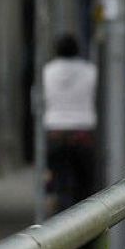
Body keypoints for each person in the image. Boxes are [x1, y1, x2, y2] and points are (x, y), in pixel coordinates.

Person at [44, 33, 100, 211]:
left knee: (60, 182)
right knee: (84, 186)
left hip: (56, 130)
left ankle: (62, 220)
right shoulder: (90, 70)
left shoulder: (48, 70)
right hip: (82, 131)